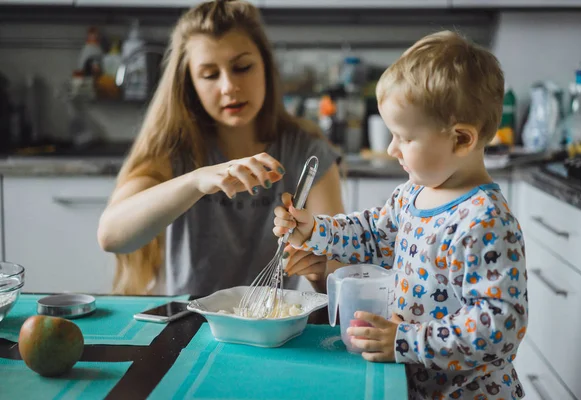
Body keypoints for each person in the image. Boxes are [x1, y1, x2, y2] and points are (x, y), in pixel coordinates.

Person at [273, 31, 528, 399]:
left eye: (404, 138)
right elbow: (372, 235)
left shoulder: (485, 222)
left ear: (461, 140)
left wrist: (406, 340)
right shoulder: (413, 193)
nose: (392, 148)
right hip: (412, 384)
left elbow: (500, 325)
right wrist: (315, 228)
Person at [97, 0, 344, 297]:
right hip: (189, 326)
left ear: (266, 66)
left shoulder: (305, 151)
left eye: (242, 67)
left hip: (270, 326)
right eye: (210, 75)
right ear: (189, 84)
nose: (228, 86)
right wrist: (196, 180)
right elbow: (111, 236)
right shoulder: (175, 150)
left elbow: (337, 272)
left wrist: (319, 276)